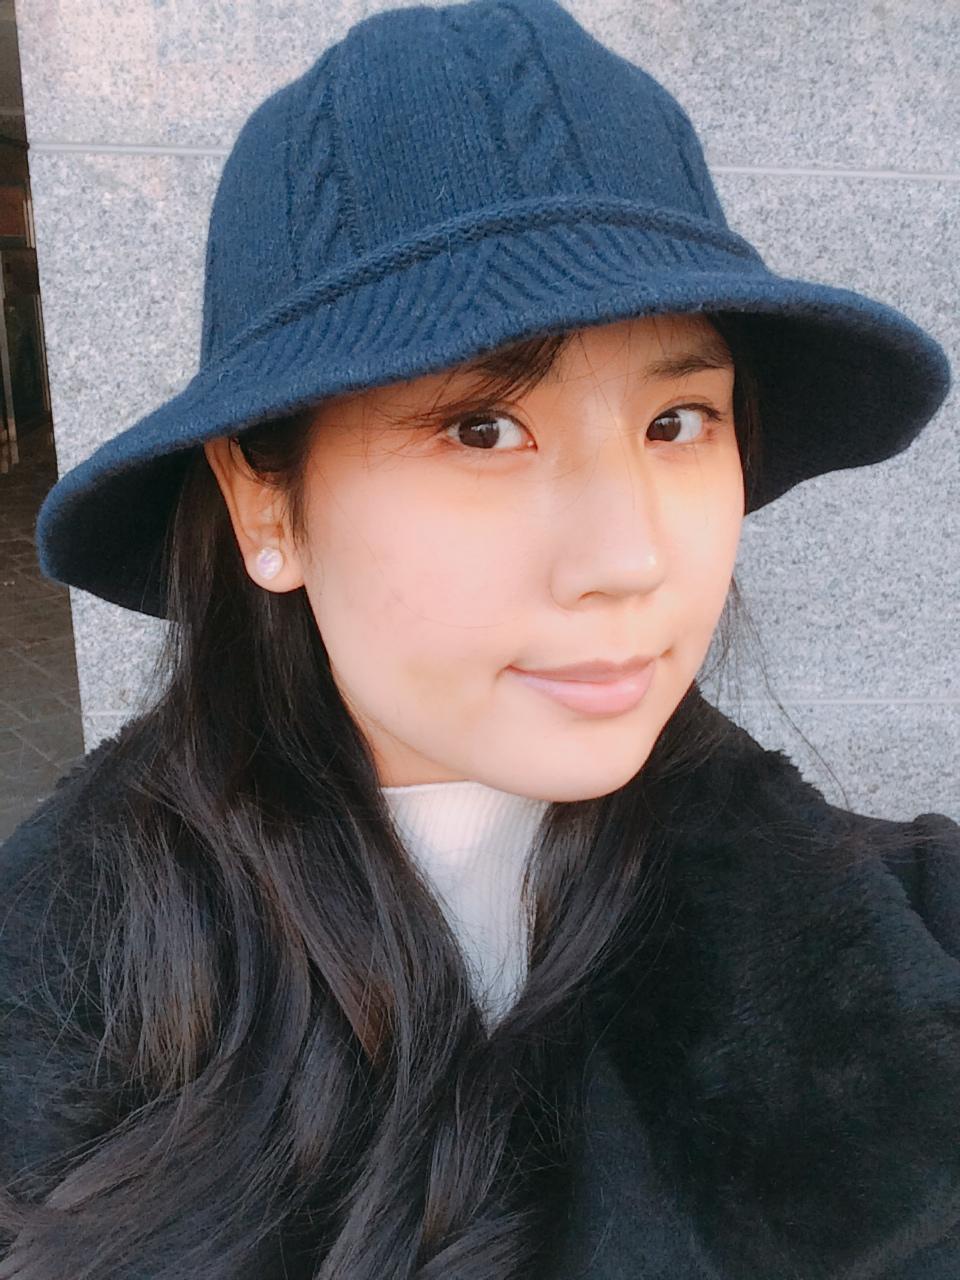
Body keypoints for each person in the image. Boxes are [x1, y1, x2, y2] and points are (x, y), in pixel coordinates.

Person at [1, 0, 958, 1276]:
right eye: (483, 428)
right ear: (265, 504)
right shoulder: (42, 995)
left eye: (678, 421)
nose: (629, 556)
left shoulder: (911, 957)